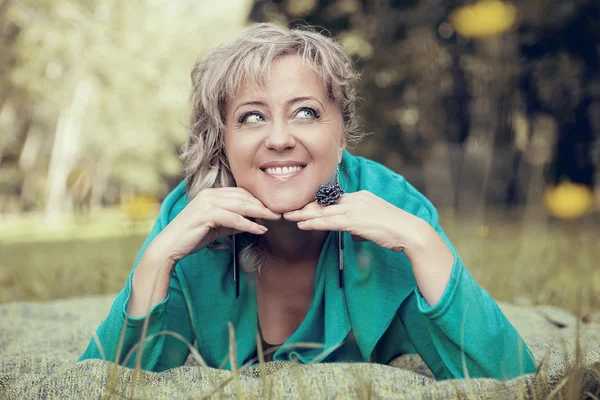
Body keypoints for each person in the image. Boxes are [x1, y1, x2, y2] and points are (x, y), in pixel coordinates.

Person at [79, 23, 536, 380]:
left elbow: (507, 378)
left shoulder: (394, 208)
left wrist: (420, 240)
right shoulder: (190, 216)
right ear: (224, 143)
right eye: (252, 117)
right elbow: (113, 381)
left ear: (341, 136)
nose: (280, 139)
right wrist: (157, 259)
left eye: (306, 112)